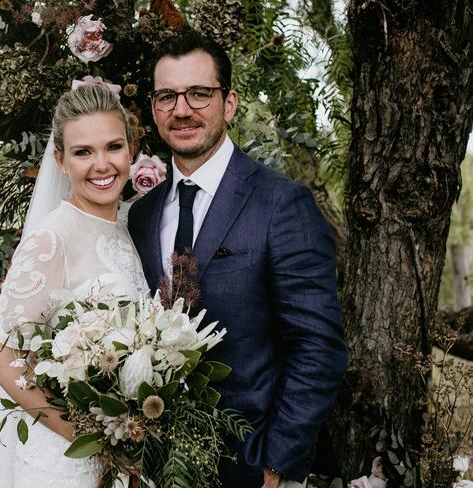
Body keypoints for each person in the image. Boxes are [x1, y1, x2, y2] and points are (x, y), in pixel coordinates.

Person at [128, 32, 348, 488]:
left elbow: (318, 348)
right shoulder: (141, 215)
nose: (182, 109)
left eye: (199, 94)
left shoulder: (282, 204)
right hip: (157, 466)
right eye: (167, 96)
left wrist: (276, 467)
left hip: (253, 465)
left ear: (229, 103)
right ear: (153, 109)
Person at [0, 83, 148, 488]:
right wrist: (87, 435)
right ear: (61, 160)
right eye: (83, 152)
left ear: (131, 149)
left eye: (113, 147)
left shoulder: (126, 226)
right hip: (67, 457)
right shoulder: (52, 240)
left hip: (122, 449)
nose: (102, 165)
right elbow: (3, 354)